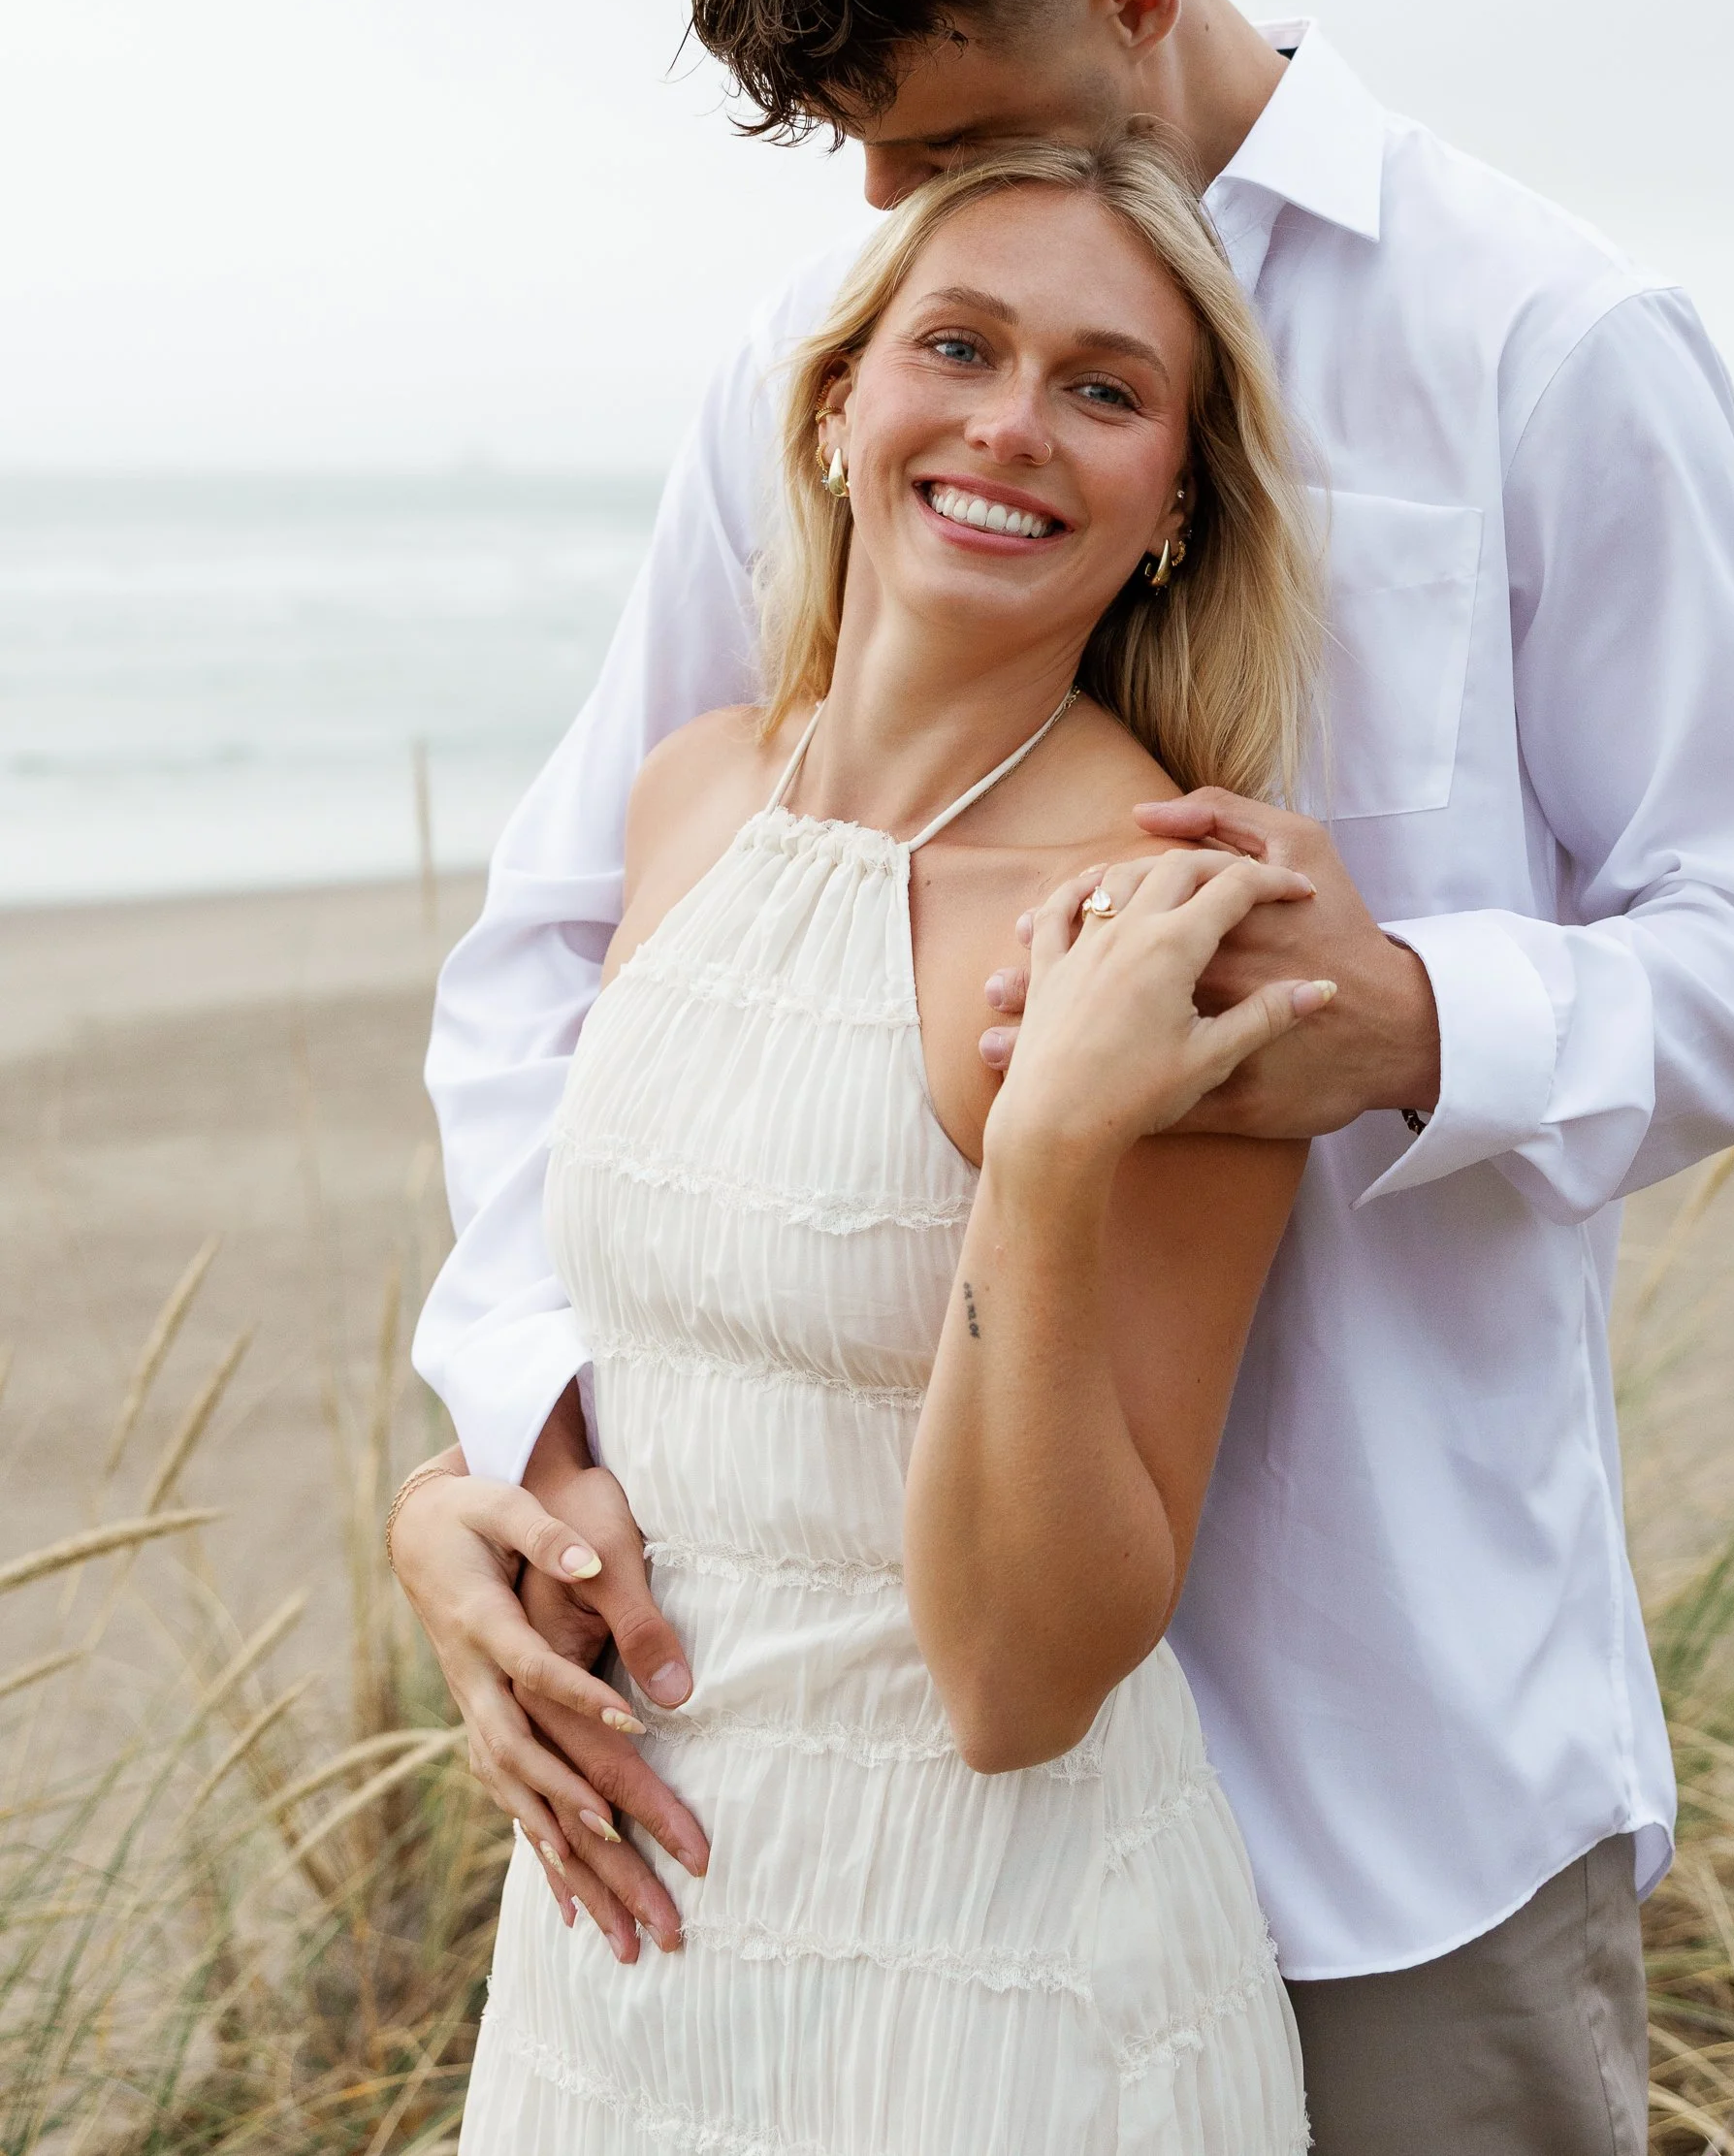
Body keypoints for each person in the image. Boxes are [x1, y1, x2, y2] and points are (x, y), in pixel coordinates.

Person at [393, 0, 1734, 2156]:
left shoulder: (1546, 342)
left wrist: (1414, 1019)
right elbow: (575, 943)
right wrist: (520, 1436)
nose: (882, 211)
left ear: (1128, 4)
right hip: (829, 1816)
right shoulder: (837, 361)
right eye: (866, 162)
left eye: (940, 131)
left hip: (1386, 1770)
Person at [454, 129, 1323, 2149]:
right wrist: (473, 1495)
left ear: (1175, 506)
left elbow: (1024, 1685)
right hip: (624, 1965)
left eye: (1103, 389)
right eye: (960, 346)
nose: (1013, 425)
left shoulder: (1160, 929)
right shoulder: (692, 795)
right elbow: (664, 1337)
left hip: (988, 1989)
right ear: (838, 405)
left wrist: (1046, 1164)